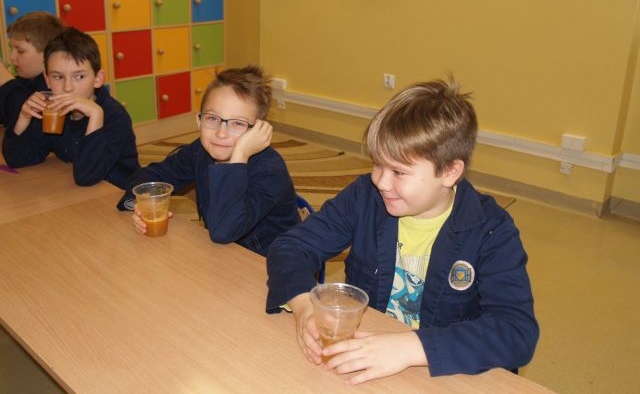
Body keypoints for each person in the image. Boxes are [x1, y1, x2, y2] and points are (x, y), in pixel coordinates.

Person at [266, 78, 539, 383]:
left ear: (450, 172)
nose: (381, 182)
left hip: (443, 374)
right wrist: (304, 306)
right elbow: (291, 247)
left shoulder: (492, 230)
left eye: (398, 172)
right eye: (377, 164)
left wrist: (411, 347)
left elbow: (516, 332)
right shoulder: (364, 198)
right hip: (368, 363)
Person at [118, 65, 300, 257]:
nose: (221, 133)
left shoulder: (270, 171)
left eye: (238, 123)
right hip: (223, 254)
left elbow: (224, 231)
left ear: (258, 131)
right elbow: (153, 175)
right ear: (199, 121)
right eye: (212, 118)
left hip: (271, 261)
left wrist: (239, 157)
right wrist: (140, 205)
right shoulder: (200, 151)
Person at [2, 27, 140, 189]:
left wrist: (95, 115)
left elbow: (87, 177)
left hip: (120, 192)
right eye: (58, 77)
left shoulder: (114, 116)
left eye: (79, 76)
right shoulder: (53, 111)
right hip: (80, 192)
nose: (68, 88)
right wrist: (24, 117)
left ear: (97, 79)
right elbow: (19, 160)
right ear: (47, 79)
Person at [0, 11, 64, 127]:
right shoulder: (24, 80)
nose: (12, 57)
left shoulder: (55, 87)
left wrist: (7, 83)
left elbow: (28, 120)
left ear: (47, 54)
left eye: (20, 51)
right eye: (11, 49)